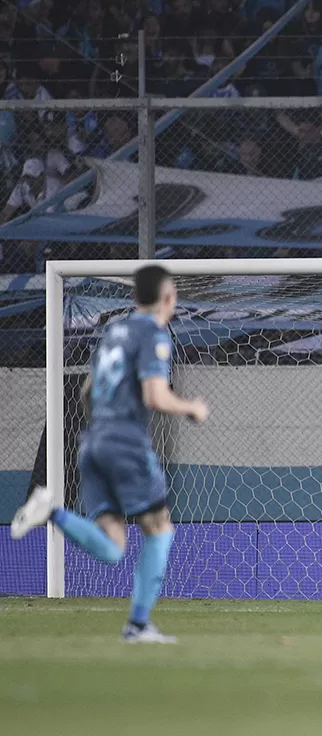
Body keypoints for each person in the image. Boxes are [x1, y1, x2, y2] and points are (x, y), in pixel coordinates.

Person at [12, 265, 210, 643]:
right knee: (159, 528)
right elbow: (155, 395)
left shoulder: (113, 333)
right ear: (168, 298)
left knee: (114, 548)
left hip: (93, 441)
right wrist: (192, 408)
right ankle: (138, 626)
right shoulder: (153, 332)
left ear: (134, 297)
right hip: (125, 443)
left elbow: (87, 392)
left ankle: (51, 512)